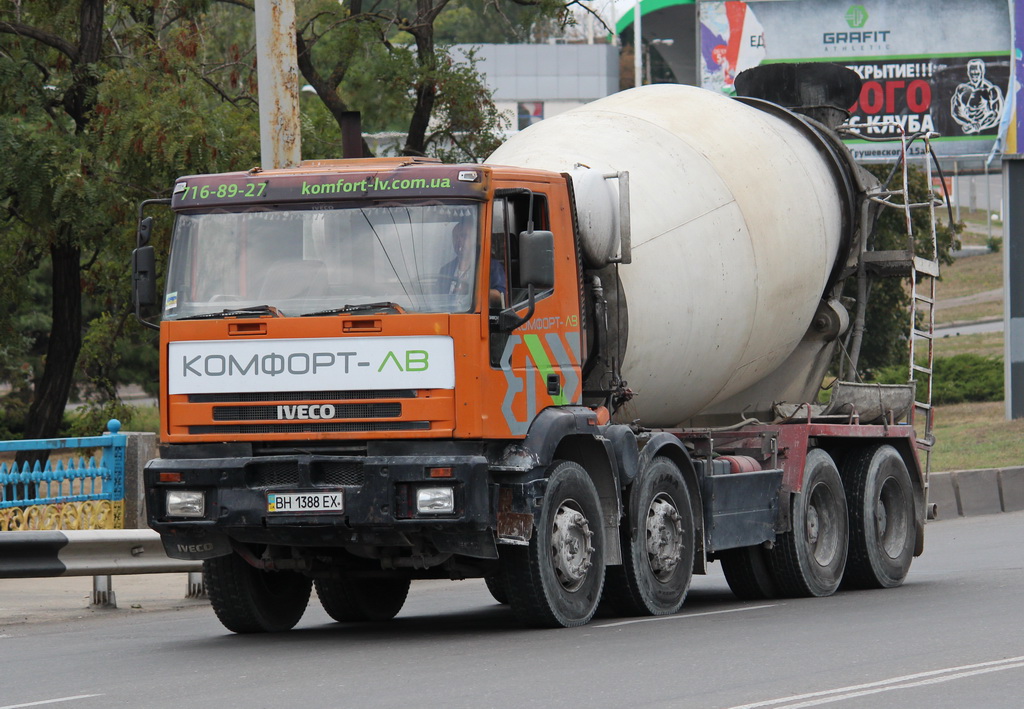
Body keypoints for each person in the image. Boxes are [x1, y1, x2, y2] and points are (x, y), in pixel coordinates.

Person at [440, 220, 507, 307]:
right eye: (455, 237)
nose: (459, 240)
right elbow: (437, 298)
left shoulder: (491, 266)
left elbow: (500, 296)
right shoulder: (446, 269)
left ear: (475, 240)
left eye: (463, 236)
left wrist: (471, 291)